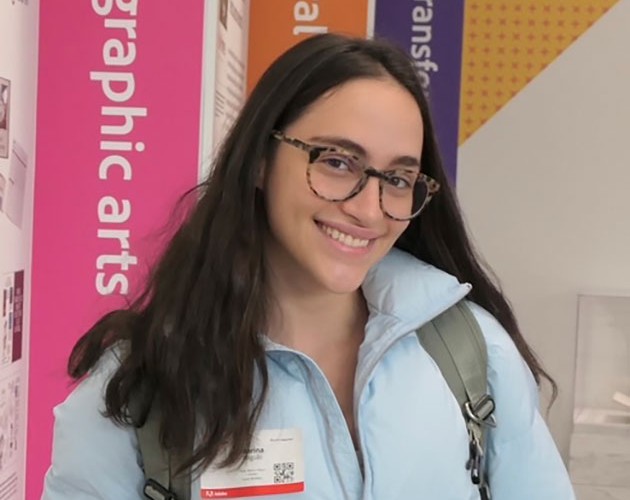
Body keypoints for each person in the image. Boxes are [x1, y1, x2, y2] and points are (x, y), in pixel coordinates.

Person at [42, 34, 575, 499]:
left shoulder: (471, 352)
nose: (369, 210)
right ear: (258, 160)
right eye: (337, 162)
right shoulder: (139, 389)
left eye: (397, 178)